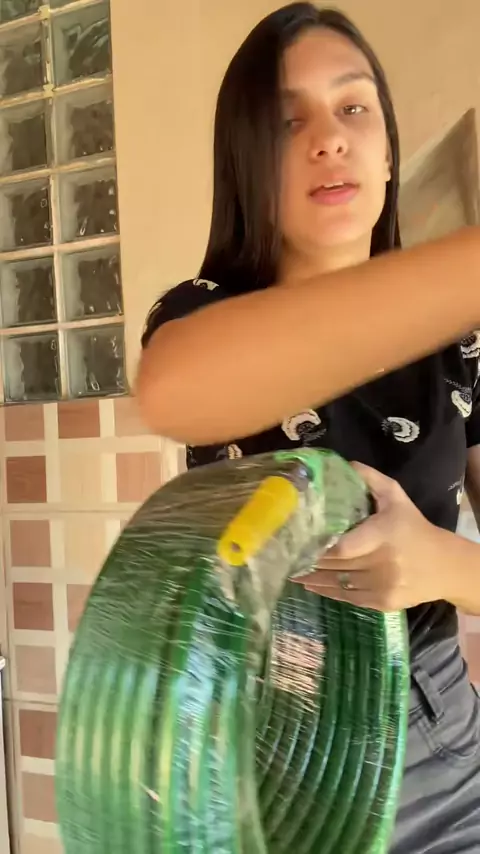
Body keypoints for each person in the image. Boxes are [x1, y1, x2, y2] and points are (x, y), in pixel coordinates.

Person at [137, 4, 480, 852]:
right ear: (247, 162)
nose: (329, 139)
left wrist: (437, 563)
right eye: (289, 122)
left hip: (440, 750)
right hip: (264, 764)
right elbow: (173, 390)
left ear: (389, 150)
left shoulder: (463, 343)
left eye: (353, 107)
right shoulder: (202, 317)